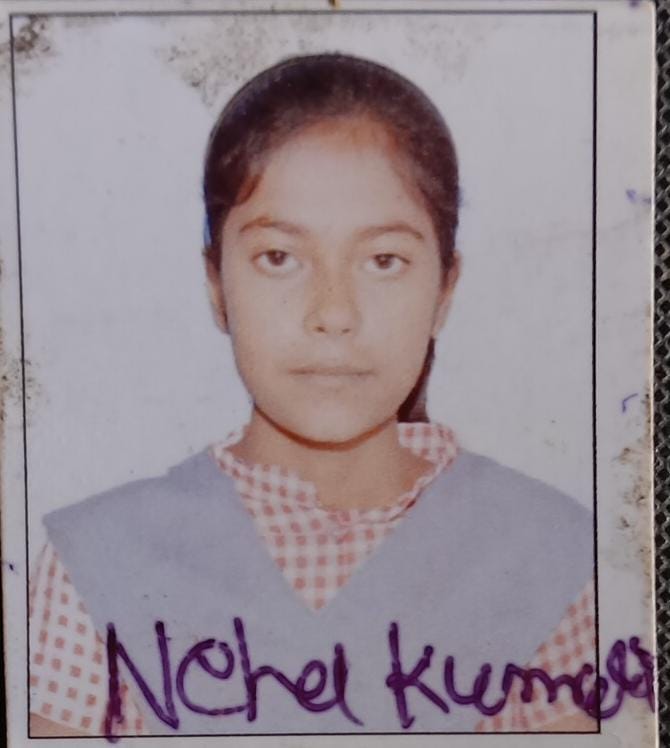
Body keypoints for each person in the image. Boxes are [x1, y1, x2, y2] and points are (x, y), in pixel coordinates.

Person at [29, 53, 596, 737]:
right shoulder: (98, 563)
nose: (333, 312)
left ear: (444, 291)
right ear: (216, 285)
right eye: (279, 258)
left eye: (383, 261)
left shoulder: (549, 554)